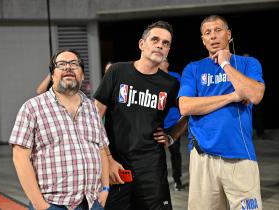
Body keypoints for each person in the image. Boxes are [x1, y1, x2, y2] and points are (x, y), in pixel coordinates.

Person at [93, 21, 187, 210]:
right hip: (117, 165)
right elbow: (94, 119)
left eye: (166, 43)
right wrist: (108, 159)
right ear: (141, 44)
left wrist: (171, 135)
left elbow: (190, 112)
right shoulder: (117, 71)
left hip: (152, 169)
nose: (161, 45)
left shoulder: (171, 85)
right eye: (155, 39)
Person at [178, 15, 265, 210]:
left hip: (240, 155)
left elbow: (255, 95)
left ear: (229, 34)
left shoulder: (247, 63)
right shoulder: (194, 68)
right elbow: (186, 106)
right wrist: (232, 97)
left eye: (218, 30)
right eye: (207, 33)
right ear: (203, 40)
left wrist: (226, 64)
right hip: (203, 158)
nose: (213, 36)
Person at [9, 49, 110, 210]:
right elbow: (20, 157)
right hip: (53, 204)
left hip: (92, 202)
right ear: (52, 75)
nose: (68, 68)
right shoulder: (32, 108)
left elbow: (101, 149)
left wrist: (105, 188)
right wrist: (40, 205)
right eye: (61, 64)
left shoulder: (91, 108)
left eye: (74, 64)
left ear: (82, 75)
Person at [159, 59, 185, 191]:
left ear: (167, 64)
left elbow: (182, 96)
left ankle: (177, 180)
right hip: (158, 123)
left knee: (175, 153)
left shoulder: (176, 77)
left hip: (173, 123)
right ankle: (160, 182)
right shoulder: (153, 77)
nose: (160, 63)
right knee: (158, 155)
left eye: (163, 61)